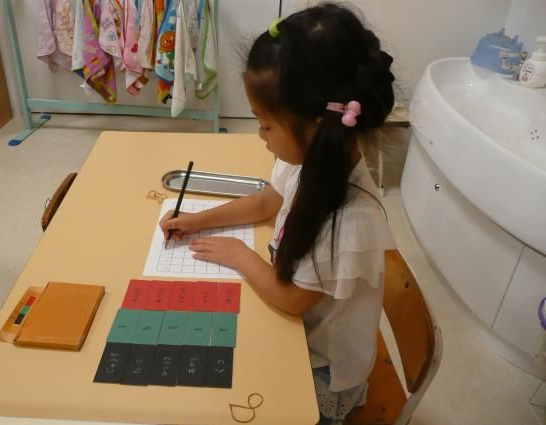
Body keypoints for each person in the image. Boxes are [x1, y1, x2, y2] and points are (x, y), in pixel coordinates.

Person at [160, 3, 396, 423]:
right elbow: (266, 202)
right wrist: (197, 220)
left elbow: (291, 300)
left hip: (322, 368)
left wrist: (240, 255)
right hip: (297, 329)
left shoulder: (350, 221)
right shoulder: (308, 158)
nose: (260, 135)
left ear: (316, 125)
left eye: (266, 125)